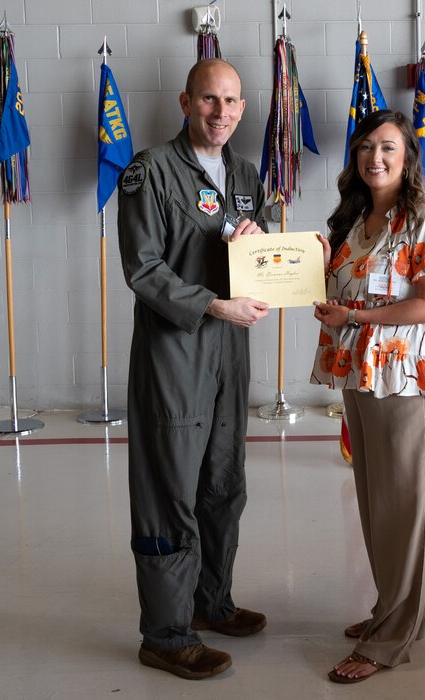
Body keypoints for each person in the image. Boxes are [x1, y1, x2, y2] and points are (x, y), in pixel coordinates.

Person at [117, 58, 269, 681]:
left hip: (230, 350)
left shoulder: (245, 174)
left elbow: (253, 258)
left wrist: (274, 255)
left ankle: (210, 603)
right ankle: (166, 633)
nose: (222, 113)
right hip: (175, 351)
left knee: (223, 484)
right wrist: (212, 303)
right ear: (185, 102)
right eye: (210, 100)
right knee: (170, 492)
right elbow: (144, 268)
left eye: (232, 102)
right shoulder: (148, 172)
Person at [311, 109, 425, 683]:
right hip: (359, 376)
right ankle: (393, 610)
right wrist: (321, 278)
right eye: (366, 147)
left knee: (405, 506)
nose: (375, 157)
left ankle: (390, 639)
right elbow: (341, 294)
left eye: (389, 148)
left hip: (408, 379)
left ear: (407, 158)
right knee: (376, 502)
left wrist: (354, 314)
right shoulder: (353, 219)